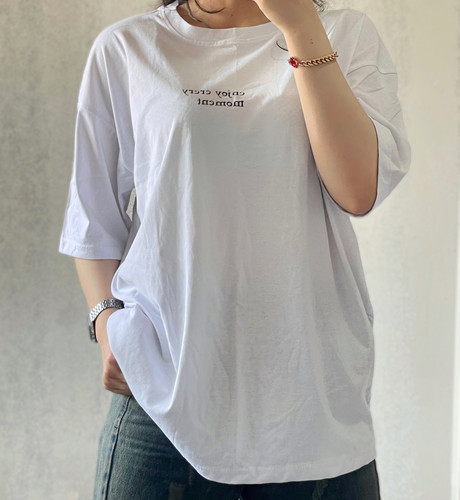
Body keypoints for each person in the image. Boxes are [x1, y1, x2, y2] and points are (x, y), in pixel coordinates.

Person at [59, 0, 411, 498]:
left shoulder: (344, 32)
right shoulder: (128, 46)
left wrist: (300, 26)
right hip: (162, 391)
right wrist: (105, 323)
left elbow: (357, 189)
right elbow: (94, 215)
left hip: (313, 402)